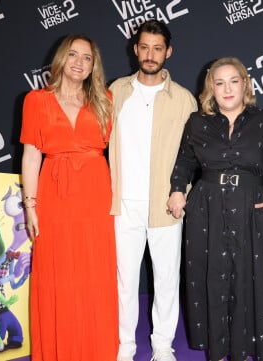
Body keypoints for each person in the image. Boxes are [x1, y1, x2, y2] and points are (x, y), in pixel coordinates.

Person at [167, 57, 263, 361]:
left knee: (248, 278)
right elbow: (184, 162)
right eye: (219, 83)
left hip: (250, 208)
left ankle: (245, 349)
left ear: (245, 84)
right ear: (211, 88)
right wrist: (178, 190)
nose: (227, 88)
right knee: (212, 277)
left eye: (233, 81)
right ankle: (217, 352)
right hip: (206, 208)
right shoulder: (198, 122)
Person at [20, 34, 118, 361]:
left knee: (93, 272)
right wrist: (29, 205)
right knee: (57, 273)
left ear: (94, 66)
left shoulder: (104, 98)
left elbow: (115, 152)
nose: (79, 62)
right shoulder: (36, 100)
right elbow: (32, 156)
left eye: (87, 58)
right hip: (53, 192)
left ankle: (95, 350)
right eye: (73, 55)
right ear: (61, 58)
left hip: (94, 192)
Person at [108, 20, 197, 361]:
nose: (150, 54)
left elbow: (191, 156)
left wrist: (182, 192)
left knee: (166, 278)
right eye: (144, 47)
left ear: (168, 52)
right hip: (123, 203)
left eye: (157, 48)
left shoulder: (184, 100)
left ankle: (162, 346)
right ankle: (125, 345)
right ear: (135, 49)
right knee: (125, 281)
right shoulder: (114, 92)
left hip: (166, 203)